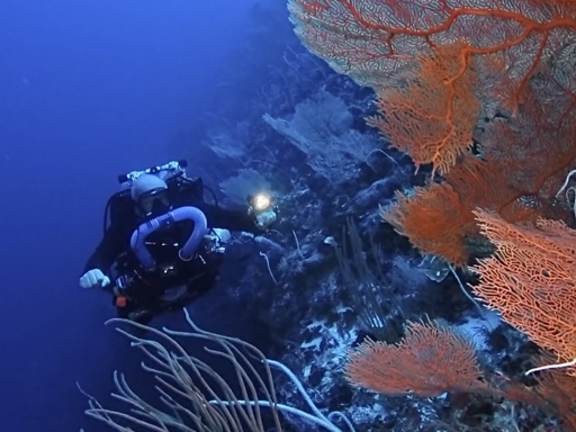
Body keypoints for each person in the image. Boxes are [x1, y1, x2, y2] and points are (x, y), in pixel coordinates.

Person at [80, 162, 277, 324]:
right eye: (149, 201)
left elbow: (225, 217)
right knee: (129, 312)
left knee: (220, 251)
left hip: (196, 277)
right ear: (138, 206)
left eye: (161, 198)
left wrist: (255, 222)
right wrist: (94, 270)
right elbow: (103, 253)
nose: (158, 206)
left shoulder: (187, 210)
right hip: (152, 290)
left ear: (169, 197)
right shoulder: (126, 225)